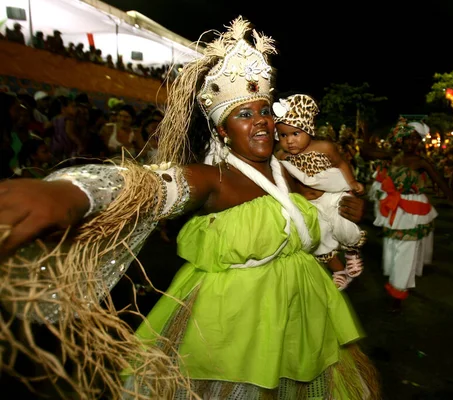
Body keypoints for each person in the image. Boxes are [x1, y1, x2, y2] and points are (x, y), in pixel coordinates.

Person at [0, 17, 379, 399]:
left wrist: (344, 207)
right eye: (244, 115)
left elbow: (318, 203)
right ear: (222, 130)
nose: (261, 122)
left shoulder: (286, 171)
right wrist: (75, 193)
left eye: (264, 111)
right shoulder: (215, 178)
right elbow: (153, 186)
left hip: (304, 310)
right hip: (237, 322)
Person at [370, 121, 453, 310]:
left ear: (419, 142)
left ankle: (398, 291)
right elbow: (366, 152)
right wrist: (369, 130)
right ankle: (398, 281)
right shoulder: (393, 156)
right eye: (408, 138)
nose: (411, 142)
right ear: (401, 139)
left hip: (413, 210)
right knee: (393, 247)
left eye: (415, 139)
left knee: (406, 250)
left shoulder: (422, 162)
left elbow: (441, 183)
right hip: (393, 209)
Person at [273, 94, 366, 290]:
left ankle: (352, 252)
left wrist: (352, 182)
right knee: (320, 235)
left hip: (332, 196)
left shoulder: (324, 147)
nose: (289, 141)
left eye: (295, 134)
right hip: (310, 205)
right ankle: (339, 271)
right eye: (283, 135)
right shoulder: (280, 156)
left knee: (343, 225)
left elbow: (341, 163)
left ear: (308, 130)